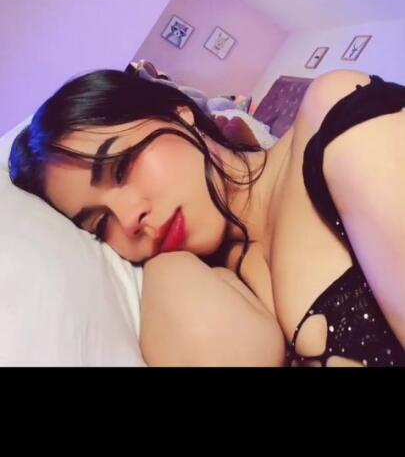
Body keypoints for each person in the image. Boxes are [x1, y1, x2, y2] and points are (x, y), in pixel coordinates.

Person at [8, 67, 405, 367]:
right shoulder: (210, 279)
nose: (129, 220)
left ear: (179, 114)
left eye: (123, 166)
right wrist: (166, 264)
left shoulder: (334, 114)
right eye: (100, 224)